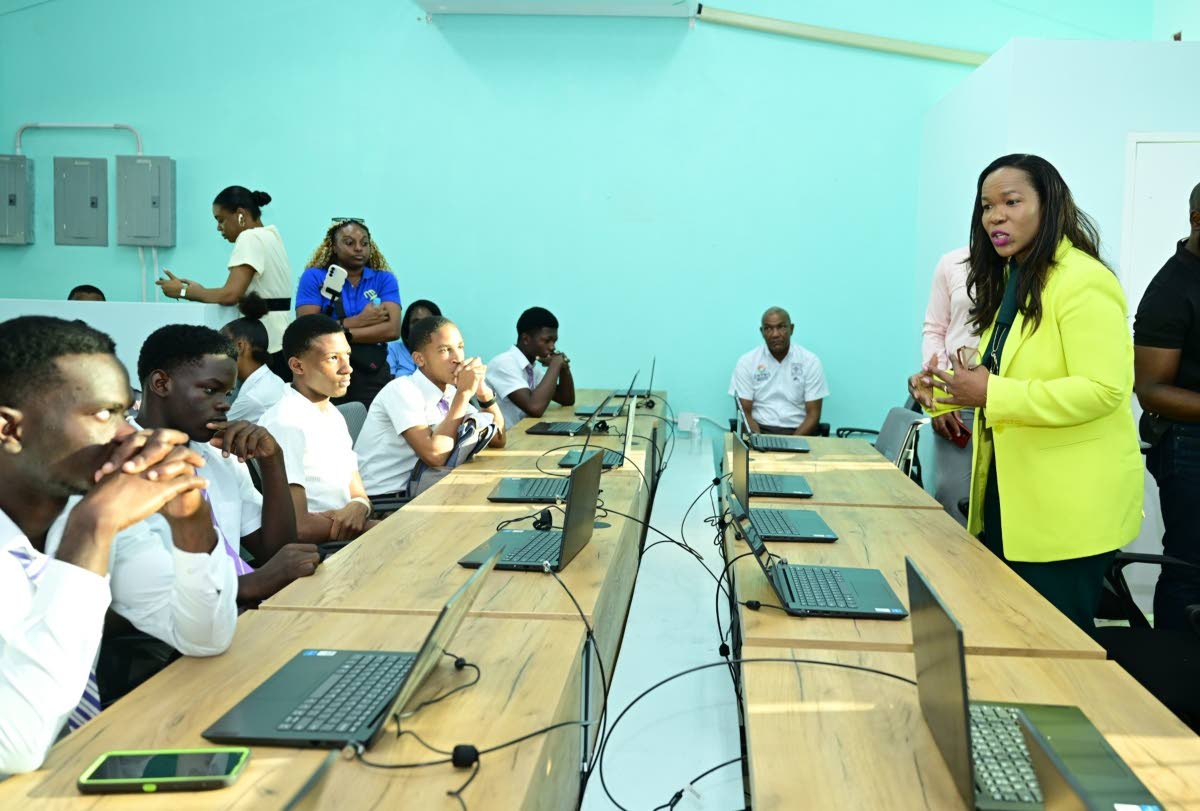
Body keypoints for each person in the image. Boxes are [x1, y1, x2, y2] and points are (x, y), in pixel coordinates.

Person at [915, 153, 1142, 634]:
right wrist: (943, 391)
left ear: (1048, 205)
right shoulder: (1019, 278)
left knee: (1053, 652)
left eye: (1011, 202)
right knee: (1013, 639)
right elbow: (1002, 374)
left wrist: (990, 391)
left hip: (1066, 513)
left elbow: (1104, 390)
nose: (995, 216)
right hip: (1011, 499)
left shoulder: (1083, 280)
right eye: (986, 206)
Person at [0, 316, 214, 775]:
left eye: (124, 411)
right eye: (102, 414)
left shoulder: (83, 505)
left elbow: (202, 636)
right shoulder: (92, 515)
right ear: (8, 430)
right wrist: (90, 530)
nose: (125, 434)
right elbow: (13, 744)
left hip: (73, 772)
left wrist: (193, 527)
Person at [131, 325, 318, 604]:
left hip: (237, 613)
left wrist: (272, 462)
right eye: (210, 390)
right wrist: (249, 585)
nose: (224, 405)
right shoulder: (120, 464)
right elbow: (138, 594)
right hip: (169, 634)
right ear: (161, 384)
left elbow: (277, 552)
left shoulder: (219, 455)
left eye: (228, 393)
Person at [1133, 180, 1200, 631]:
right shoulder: (1171, 289)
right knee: (1190, 569)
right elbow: (1151, 389)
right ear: (1197, 220)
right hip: (1187, 445)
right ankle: (1171, 693)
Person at [358, 316, 506, 499]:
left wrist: (483, 392)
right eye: (445, 350)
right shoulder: (402, 390)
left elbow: (497, 438)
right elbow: (436, 456)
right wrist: (464, 394)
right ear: (419, 359)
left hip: (426, 487)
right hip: (390, 499)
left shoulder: (449, 391)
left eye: (460, 347)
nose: (458, 358)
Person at [259, 315, 376, 543]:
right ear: (297, 365)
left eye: (347, 356)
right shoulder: (285, 422)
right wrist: (369, 526)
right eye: (333, 358)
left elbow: (358, 493)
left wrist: (359, 508)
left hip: (348, 538)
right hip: (323, 552)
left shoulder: (332, 413)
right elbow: (297, 526)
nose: (347, 368)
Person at [156, 186, 293, 353]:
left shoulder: (249, 237)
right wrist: (201, 291)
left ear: (240, 214)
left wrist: (183, 292)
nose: (218, 228)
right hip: (281, 338)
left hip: (264, 343)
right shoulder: (271, 236)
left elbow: (230, 295)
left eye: (221, 220)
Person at [296, 218, 401, 407]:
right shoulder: (314, 276)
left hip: (371, 369)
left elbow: (392, 330)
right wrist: (360, 320)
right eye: (349, 242)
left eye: (364, 243)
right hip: (324, 370)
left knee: (370, 428)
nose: (359, 248)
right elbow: (307, 329)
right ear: (334, 247)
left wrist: (343, 333)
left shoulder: (384, 279)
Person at [916, 247, 976, 526]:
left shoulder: (1028, 265)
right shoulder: (953, 263)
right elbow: (935, 329)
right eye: (987, 206)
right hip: (957, 401)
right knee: (954, 503)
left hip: (1010, 400)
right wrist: (940, 396)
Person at [729, 307, 829, 435]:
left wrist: (791, 444)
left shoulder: (810, 361)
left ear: (791, 329)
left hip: (800, 432)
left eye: (781, 327)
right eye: (769, 328)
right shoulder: (747, 362)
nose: (775, 334)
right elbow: (744, 413)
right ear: (762, 332)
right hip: (759, 430)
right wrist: (758, 441)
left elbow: (813, 415)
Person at [486, 307, 575, 432]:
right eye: (547, 340)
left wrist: (563, 368)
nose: (552, 347)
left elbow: (566, 399)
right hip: (504, 442)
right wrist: (555, 364)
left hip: (521, 435)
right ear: (526, 339)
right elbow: (535, 408)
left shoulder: (530, 368)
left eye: (554, 341)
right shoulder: (504, 364)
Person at [221, 296, 287, 423]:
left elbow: (209, 434)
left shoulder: (254, 398)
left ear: (239, 346)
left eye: (221, 344)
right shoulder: (269, 380)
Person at [387, 299, 441, 378]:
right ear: (407, 326)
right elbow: (388, 385)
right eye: (416, 322)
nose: (421, 326)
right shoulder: (394, 349)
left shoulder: (443, 352)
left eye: (427, 321)